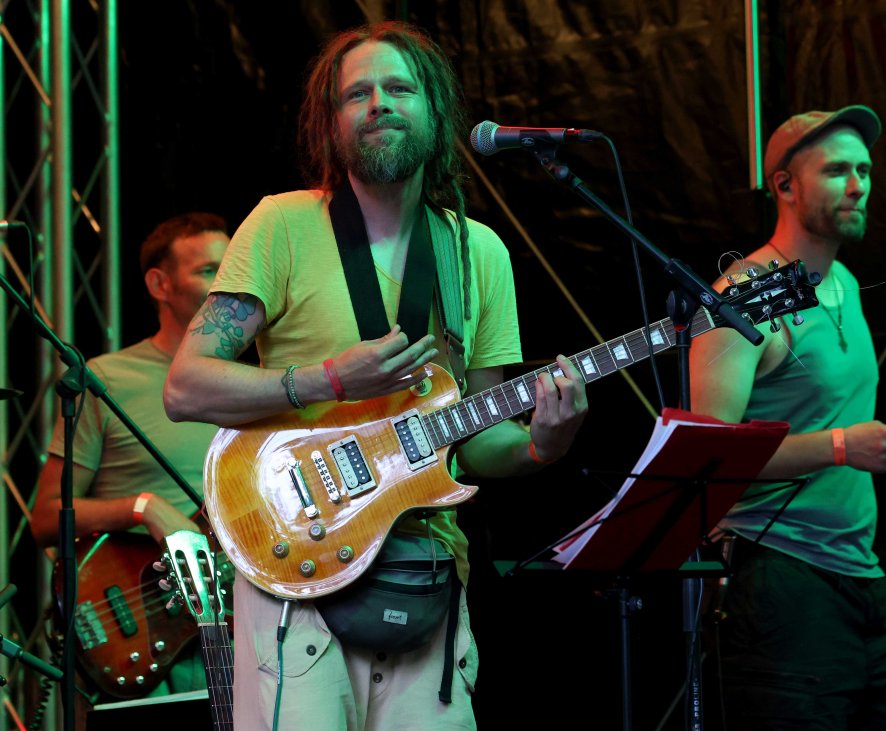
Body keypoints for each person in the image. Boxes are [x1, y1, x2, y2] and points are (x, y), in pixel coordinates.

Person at [163, 21, 588, 730]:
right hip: (296, 568)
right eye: (355, 94)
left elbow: (476, 438)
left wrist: (547, 441)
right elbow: (185, 387)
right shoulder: (281, 225)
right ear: (330, 124)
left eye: (399, 88)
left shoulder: (478, 251)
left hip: (427, 572)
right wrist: (328, 379)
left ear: (435, 110)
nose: (379, 103)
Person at [690, 106, 886, 729]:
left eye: (864, 170)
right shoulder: (742, 296)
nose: (858, 185)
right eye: (836, 171)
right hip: (777, 569)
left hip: (859, 571)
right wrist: (839, 446)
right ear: (785, 185)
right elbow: (709, 456)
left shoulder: (845, 282)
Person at [31, 211, 230, 695]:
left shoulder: (255, 380)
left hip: (244, 630)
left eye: (230, 269)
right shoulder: (107, 379)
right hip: (145, 635)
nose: (224, 284)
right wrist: (142, 507)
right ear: (160, 284)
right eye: (208, 270)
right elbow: (45, 517)